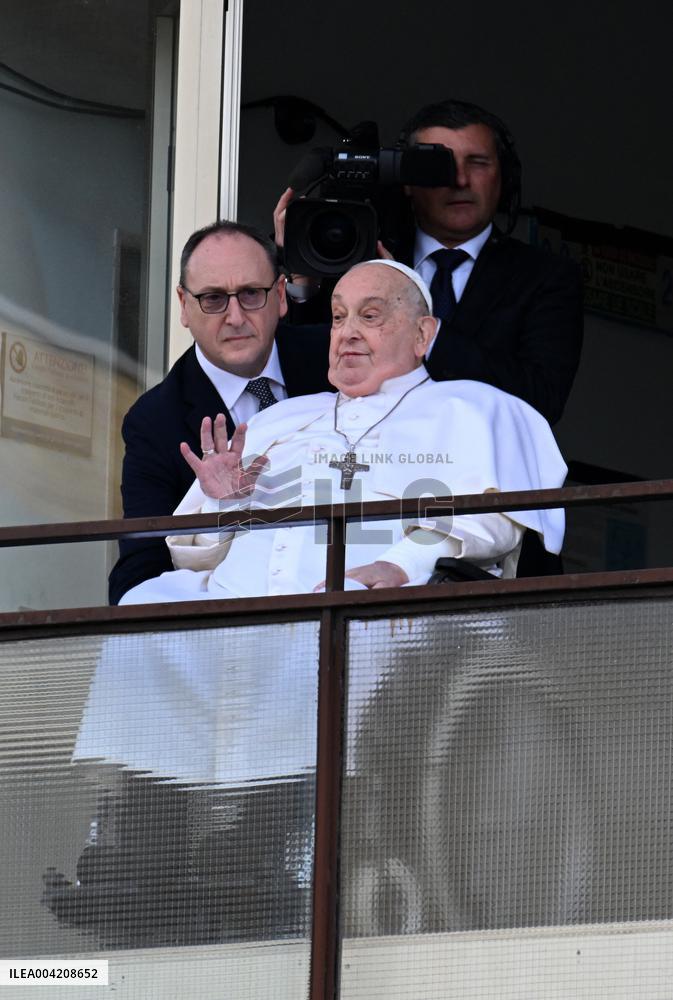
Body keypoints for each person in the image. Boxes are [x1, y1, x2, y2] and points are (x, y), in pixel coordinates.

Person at [118, 259, 566, 605]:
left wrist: (404, 564)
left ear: (423, 334)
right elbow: (194, 557)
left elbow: (493, 519)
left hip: (370, 614)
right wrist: (223, 504)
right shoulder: (282, 419)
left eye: (369, 317)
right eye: (337, 317)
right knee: (141, 610)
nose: (346, 332)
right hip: (232, 613)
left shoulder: (476, 408)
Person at [274, 99, 583, 427]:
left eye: (477, 163)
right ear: (407, 180)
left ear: (504, 178)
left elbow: (540, 402)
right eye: (440, 166)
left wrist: (419, 325)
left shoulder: (546, 276)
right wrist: (303, 280)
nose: (460, 180)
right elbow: (302, 384)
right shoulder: (359, 259)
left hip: (487, 473)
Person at [108, 220, 332, 605]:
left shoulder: (336, 360)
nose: (234, 317)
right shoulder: (155, 420)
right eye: (213, 299)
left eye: (250, 294)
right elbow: (140, 569)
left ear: (281, 295)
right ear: (183, 305)